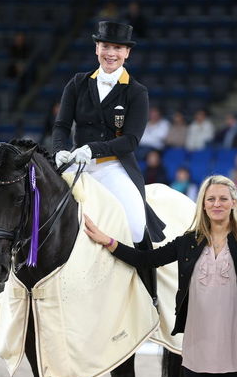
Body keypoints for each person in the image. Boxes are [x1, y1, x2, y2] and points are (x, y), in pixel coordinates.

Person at [83, 175, 237, 377]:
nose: (217, 204)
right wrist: (109, 241)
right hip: (198, 351)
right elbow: (146, 260)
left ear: (234, 202)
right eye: (211, 199)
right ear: (203, 204)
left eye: (223, 199)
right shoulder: (188, 242)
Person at [52, 21, 164, 245]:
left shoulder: (136, 92)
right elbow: (61, 126)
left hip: (112, 166)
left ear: (127, 53)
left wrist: (93, 150)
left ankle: (142, 268)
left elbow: (131, 140)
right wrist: (59, 150)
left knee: (137, 227)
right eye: (105, 46)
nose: (111, 53)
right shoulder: (77, 83)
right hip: (76, 163)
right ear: (97, 48)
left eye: (118, 48)